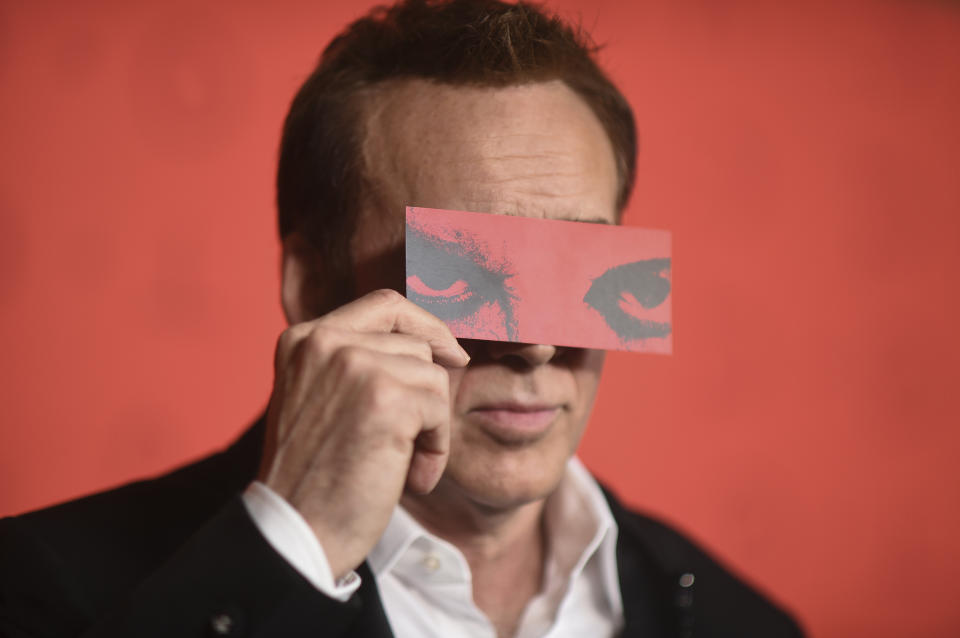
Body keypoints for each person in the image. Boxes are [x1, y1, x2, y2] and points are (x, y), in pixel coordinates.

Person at [0, 1, 804, 636]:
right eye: (465, 268)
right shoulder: (47, 587)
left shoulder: (748, 624)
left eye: (579, 267)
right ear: (314, 287)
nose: (536, 343)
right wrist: (288, 554)